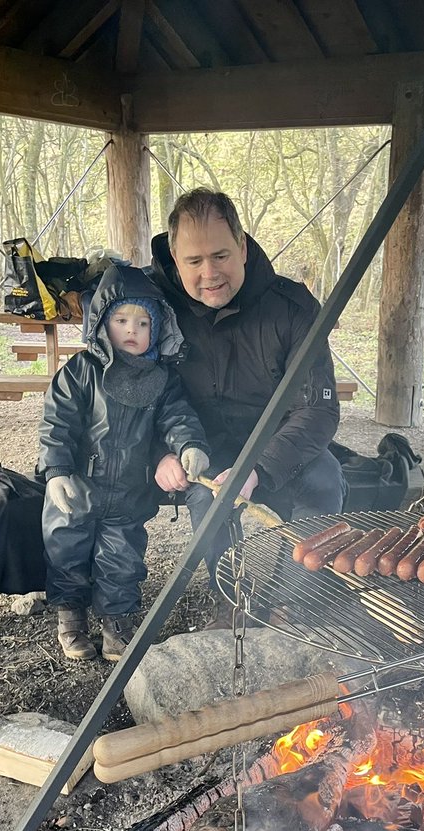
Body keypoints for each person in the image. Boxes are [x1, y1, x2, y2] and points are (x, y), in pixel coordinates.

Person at [148, 188, 345, 588]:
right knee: (208, 498)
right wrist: (158, 453)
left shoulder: (292, 308)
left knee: (326, 480)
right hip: (201, 449)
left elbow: (319, 410)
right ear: (175, 261)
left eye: (220, 256)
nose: (210, 273)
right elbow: (132, 395)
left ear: (242, 247)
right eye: (194, 261)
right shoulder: (151, 308)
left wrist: (258, 467)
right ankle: (232, 600)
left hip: (278, 444)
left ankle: (295, 599)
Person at [38, 264, 210, 662]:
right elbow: (57, 424)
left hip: (129, 493)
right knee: (67, 551)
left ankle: (116, 622)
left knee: (122, 560)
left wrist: (188, 444)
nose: (132, 330)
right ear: (101, 323)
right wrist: (56, 471)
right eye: (121, 319)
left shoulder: (162, 378)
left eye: (143, 322)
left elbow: (177, 417)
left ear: (158, 328)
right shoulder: (81, 372)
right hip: (78, 489)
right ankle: (71, 617)